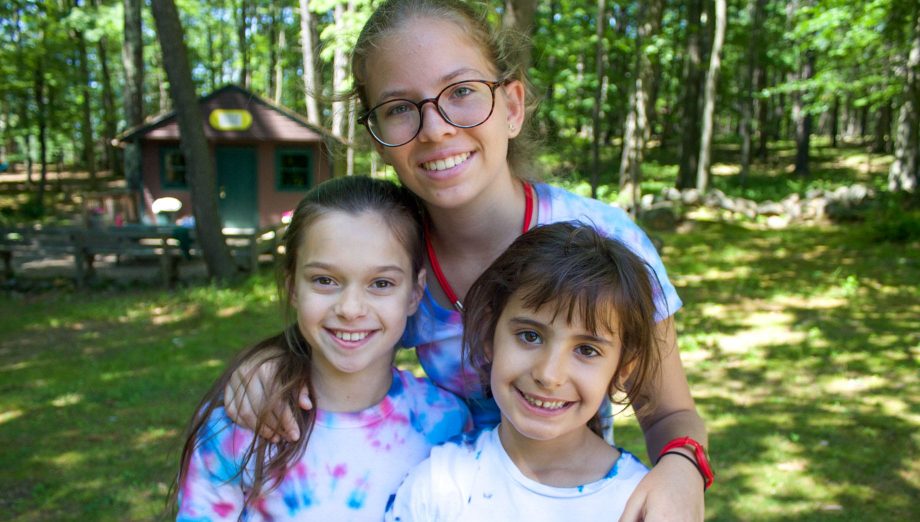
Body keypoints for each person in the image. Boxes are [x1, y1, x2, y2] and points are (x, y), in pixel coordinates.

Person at [225, 1, 710, 519]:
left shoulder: (607, 241)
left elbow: (670, 411)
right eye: (400, 107)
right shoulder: (392, 257)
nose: (434, 129)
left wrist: (683, 468)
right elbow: (337, 331)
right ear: (378, 137)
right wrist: (278, 360)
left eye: (461, 92)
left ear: (512, 106)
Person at [174, 176, 471, 521]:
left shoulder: (447, 423)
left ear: (415, 292)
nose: (350, 308)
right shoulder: (237, 426)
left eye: (381, 283)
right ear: (293, 288)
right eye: (325, 280)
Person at [387, 222, 668, 520]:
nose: (548, 375)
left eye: (586, 350)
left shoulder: (639, 503)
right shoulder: (440, 484)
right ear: (488, 336)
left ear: (623, 368)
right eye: (530, 336)